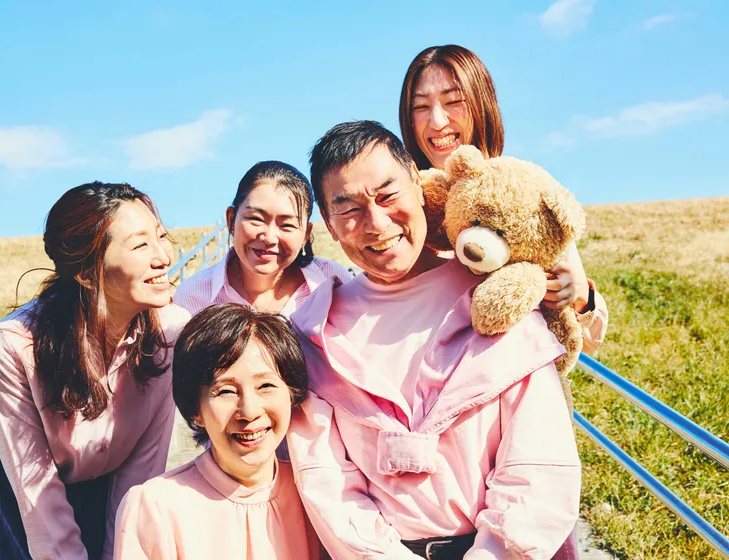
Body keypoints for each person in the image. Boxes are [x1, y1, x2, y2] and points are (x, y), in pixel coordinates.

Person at [286, 121, 580, 559]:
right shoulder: (315, 332)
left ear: (418, 185)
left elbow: (538, 463)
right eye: (348, 209)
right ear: (328, 223)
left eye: (388, 195)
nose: (376, 223)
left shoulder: (496, 295)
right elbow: (326, 479)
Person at [0, 182, 190, 560]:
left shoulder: (172, 332)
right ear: (86, 272)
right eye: (140, 245)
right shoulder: (14, 344)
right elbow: (37, 489)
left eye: (161, 236)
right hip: (18, 491)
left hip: (104, 485)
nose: (163, 256)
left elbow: (142, 471)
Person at [399, 44, 608, 354]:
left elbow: (589, 342)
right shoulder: (401, 204)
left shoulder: (525, 194)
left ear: (482, 105)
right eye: (421, 106)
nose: (438, 121)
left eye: (453, 101)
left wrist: (579, 297)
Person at [114, 303, 326, 559]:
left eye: (266, 386)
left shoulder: (319, 493)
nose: (249, 411)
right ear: (196, 409)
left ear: (292, 393)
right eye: (225, 391)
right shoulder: (155, 507)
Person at [173, 160, 351, 319]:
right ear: (231, 219)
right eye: (256, 219)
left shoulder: (334, 283)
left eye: (287, 225)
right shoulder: (192, 298)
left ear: (306, 234)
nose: (269, 238)